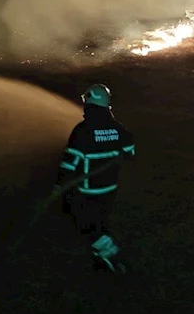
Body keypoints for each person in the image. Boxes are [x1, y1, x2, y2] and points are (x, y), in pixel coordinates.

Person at [55, 83, 135, 274]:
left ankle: (110, 253)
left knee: (85, 224)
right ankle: (100, 260)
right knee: (99, 220)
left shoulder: (82, 130)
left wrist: (59, 185)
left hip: (88, 190)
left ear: (90, 102)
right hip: (110, 188)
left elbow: (70, 163)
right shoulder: (118, 128)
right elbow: (130, 152)